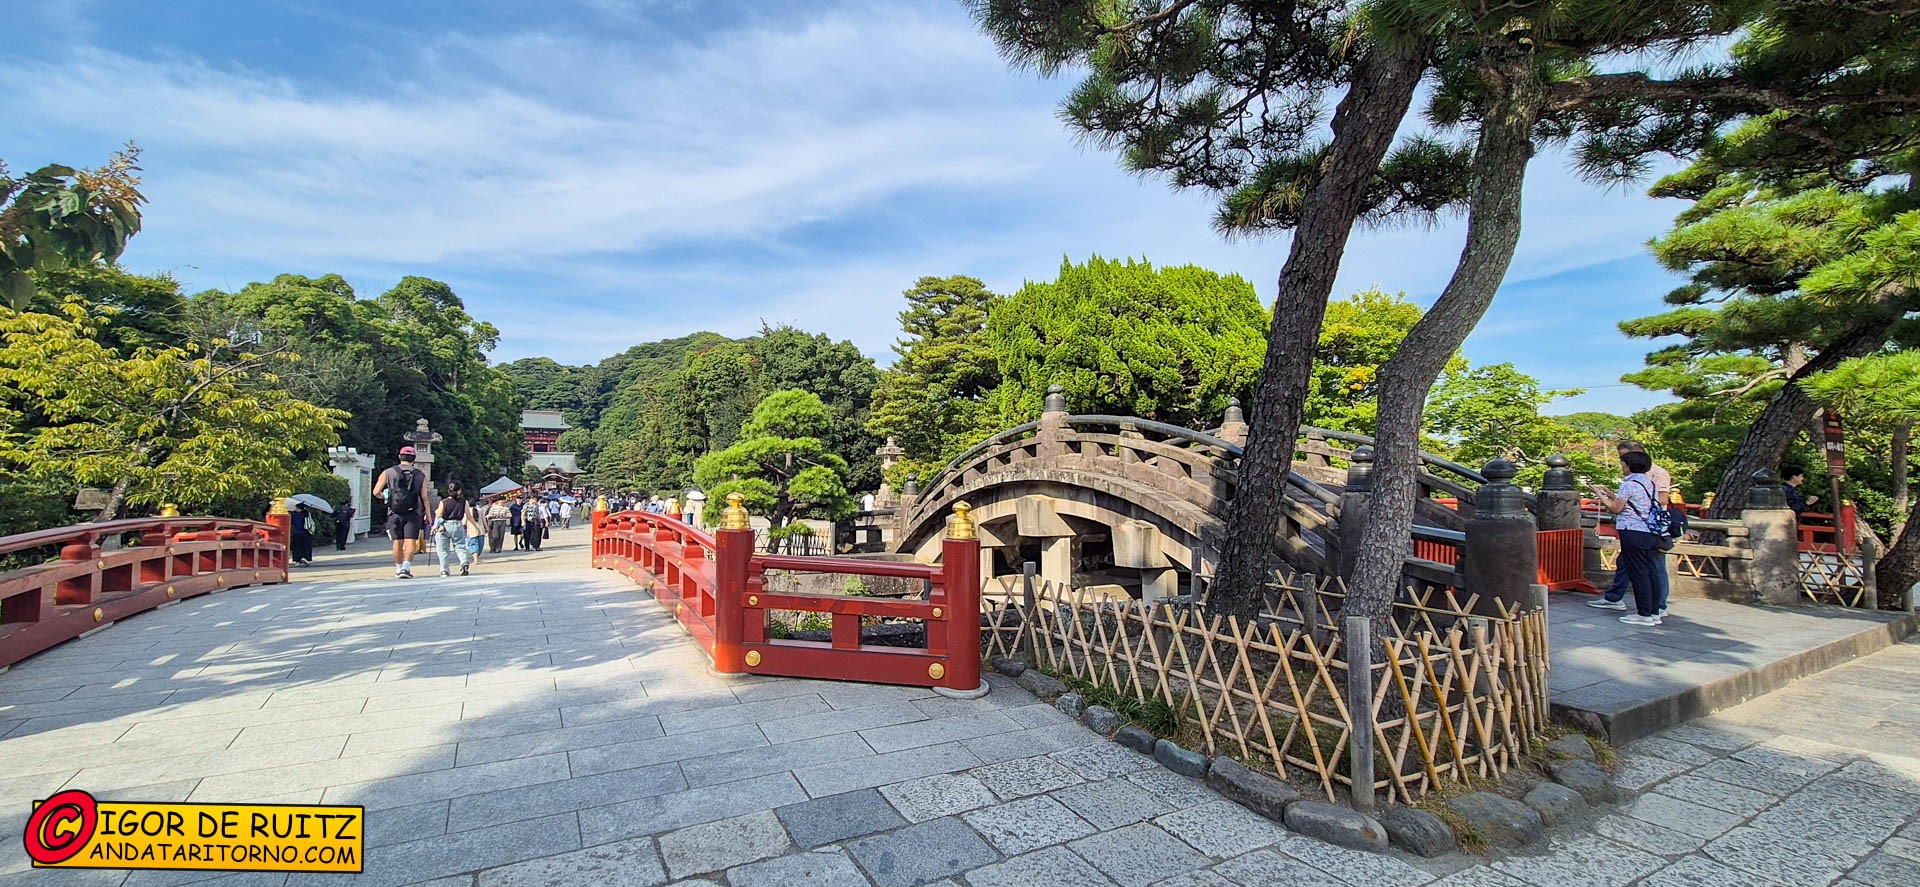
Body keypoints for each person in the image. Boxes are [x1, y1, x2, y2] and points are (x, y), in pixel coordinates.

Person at [1589, 441, 1673, 615]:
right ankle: (1645, 607)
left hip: (1636, 529)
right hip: (1647, 529)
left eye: (1623, 460)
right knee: (1639, 568)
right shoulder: (1645, 481)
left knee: (1646, 571)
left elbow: (1616, 508)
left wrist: (1600, 496)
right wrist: (1614, 495)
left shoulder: (1637, 481)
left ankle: (1651, 610)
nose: (1622, 463)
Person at [372, 446, 431, 578]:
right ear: (413, 459)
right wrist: (428, 514)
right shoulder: (420, 475)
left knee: (397, 542)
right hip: (413, 512)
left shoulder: (388, 472)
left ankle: (398, 569)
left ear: (399, 457)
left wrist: (386, 496)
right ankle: (406, 567)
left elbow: (376, 492)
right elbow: (424, 497)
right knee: (410, 541)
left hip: (394, 512)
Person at [432, 483, 474, 577]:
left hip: (445, 526)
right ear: (459, 491)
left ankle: (444, 570)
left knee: (443, 550)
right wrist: (476, 526)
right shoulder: (464, 502)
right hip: (458, 525)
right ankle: (464, 562)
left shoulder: (444, 502)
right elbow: (469, 516)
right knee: (460, 546)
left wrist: (435, 527)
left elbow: (438, 515)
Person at [462, 494, 487, 567]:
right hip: (481, 530)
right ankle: (476, 558)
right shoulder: (480, 510)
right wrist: (486, 528)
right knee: (479, 546)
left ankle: (475, 559)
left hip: (471, 531)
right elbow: (484, 520)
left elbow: (464, 522)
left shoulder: (467, 512)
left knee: (473, 545)